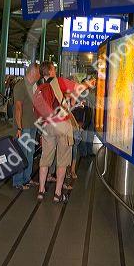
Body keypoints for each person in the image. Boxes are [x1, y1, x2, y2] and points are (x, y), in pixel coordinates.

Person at [36, 61, 80, 203]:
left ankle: (41, 190)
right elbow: (78, 88)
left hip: (48, 125)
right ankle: (57, 193)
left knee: (45, 159)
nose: (55, 70)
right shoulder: (59, 81)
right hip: (63, 125)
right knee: (62, 161)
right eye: (53, 68)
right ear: (50, 71)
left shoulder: (38, 85)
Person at [12, 63, 40, 190]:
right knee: (21, 154)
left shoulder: (33, 86)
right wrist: (19, 127)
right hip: (24, 127)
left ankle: (27, 178)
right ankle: (18, 181)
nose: (40, 75)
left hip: (32, 125)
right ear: (33, 72)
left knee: (30, 153)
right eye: (38, 72)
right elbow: (18, 108)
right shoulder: (20, 86)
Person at [79, 76, 96, 157]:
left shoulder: (91, 93)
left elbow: (95, 104)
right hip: (84, 117)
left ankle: (89, 151)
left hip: (90, 117)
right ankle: (84, 153)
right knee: (84, 135)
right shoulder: (81, 92)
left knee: (90, 135)